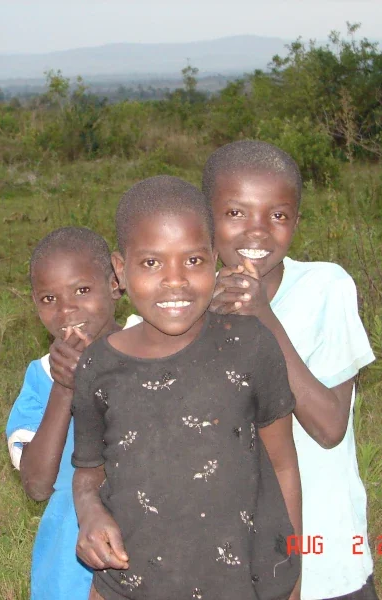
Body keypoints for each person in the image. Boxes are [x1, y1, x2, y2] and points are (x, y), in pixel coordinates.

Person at [72, 175, 302, 600]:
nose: (175, 281)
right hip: (131, 584)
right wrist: (88, 513)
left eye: (193, 261)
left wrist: (290, 575)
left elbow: (284, 464)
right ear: (120, 271)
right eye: (152, 263)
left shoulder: (250, 345)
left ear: (215, 260)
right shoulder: (98, 366)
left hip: (241, 587)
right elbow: (88, 469)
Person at [203, 141, 378, 600]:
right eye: (236, 213)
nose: (257, 232)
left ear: (296, 222)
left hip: (327, 551)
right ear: (207, 219)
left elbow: (329, 426)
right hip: (228, 559)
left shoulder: (326, 288)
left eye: (277, 215)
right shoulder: (182, 309)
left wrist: (264, 316)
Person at [6, 227, 122, 600]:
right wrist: (64, 386)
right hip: (68, 564)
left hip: (148, 548)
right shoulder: (40, 378)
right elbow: (37, 485)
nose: (66, 309)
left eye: (82, 290)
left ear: (115, 283)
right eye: (48, 298)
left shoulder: (153, 354)